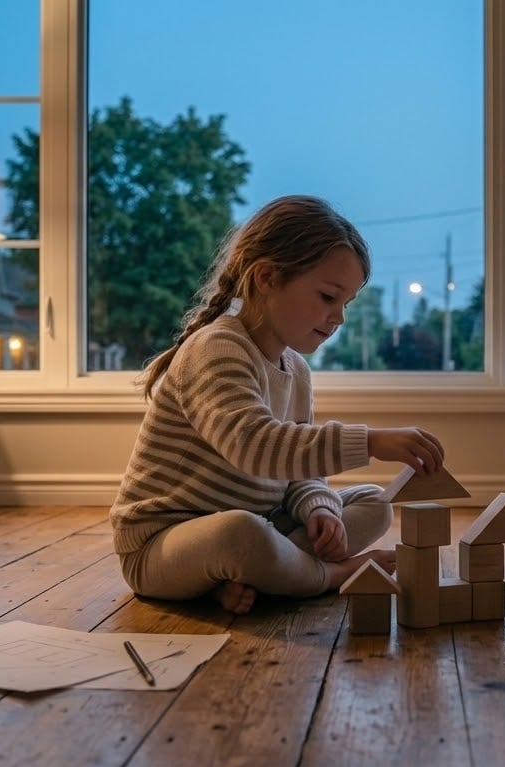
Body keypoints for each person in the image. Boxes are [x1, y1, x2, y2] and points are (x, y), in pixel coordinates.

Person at [110, 194, 446, 614]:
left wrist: (319, 510)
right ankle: (328, 575)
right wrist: (372, 442)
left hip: (263, 520)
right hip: (163, 542)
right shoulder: (216, 348)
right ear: (267, 277)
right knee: (239, 534)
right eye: (327, 296)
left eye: (346, 303)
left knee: (373, 504)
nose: (339, 317)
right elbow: (254, 446)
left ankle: (257, 577)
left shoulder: (297, 370)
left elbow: (299, 471)